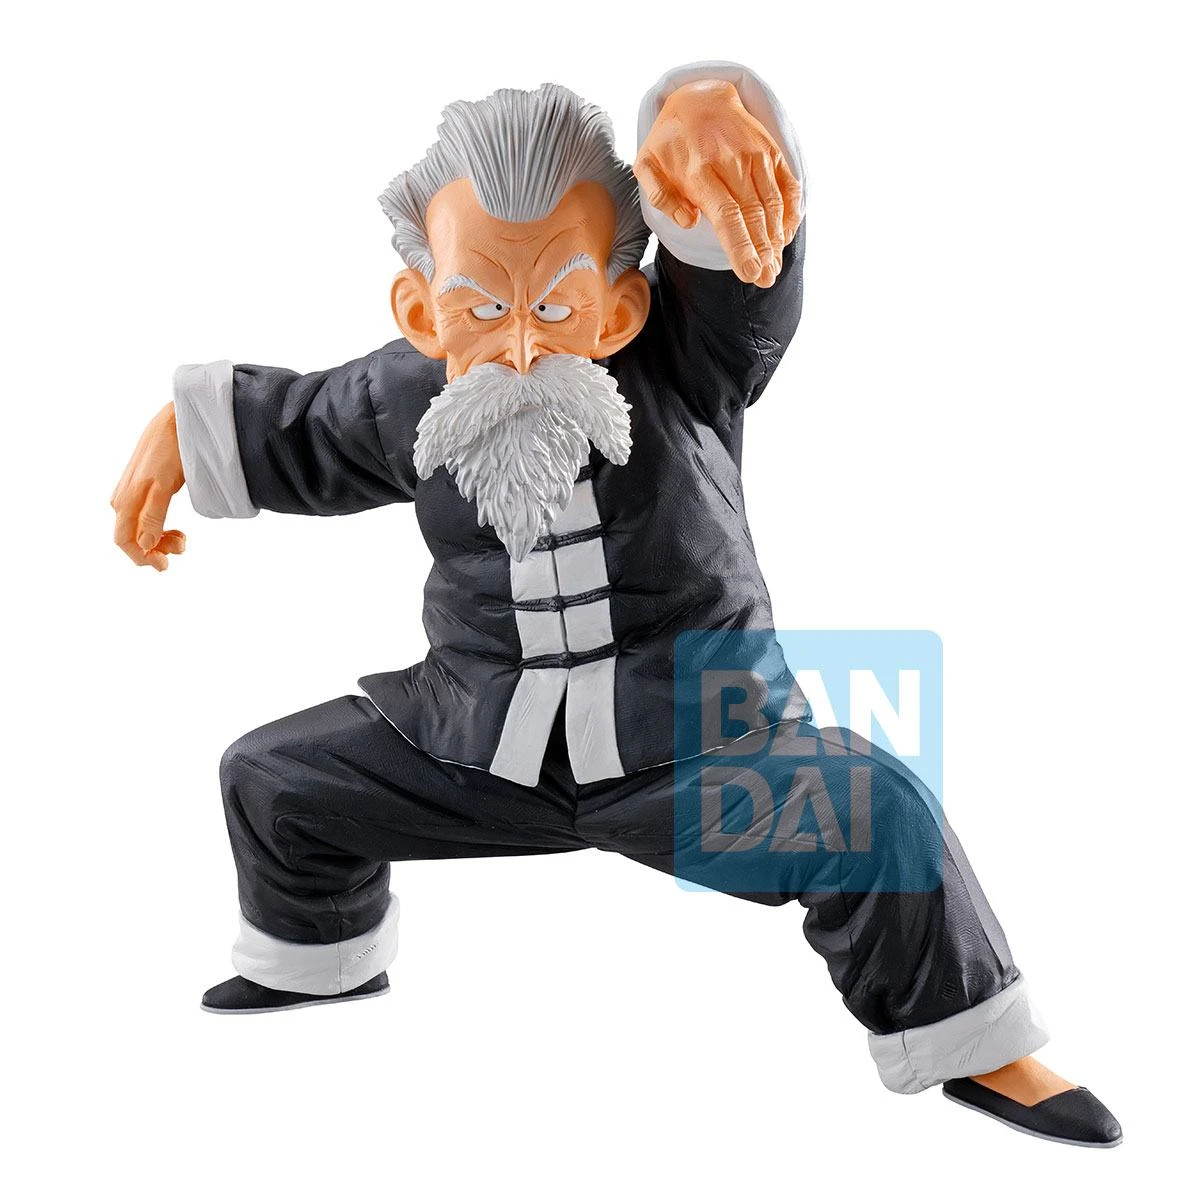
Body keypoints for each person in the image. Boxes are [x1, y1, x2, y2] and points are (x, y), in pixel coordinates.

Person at [110, 61, 1121, 1147]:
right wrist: (185, 431)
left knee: (876, 813)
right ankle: (319, 958)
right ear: (420, 311)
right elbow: (300, 426)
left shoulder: (687, 359)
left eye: (556, 305)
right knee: (275, 779)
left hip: (700, 752)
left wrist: (707, 107)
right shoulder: (410, 396)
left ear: (622, 304)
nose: (520, 345)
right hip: (473, 750)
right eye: (480, 307)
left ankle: (976, 1046)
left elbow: (738, 260)